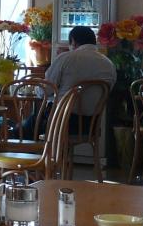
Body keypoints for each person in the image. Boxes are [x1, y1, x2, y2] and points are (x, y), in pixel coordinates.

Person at [42, 25, 116, 163]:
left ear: (74, 42)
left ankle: (35, 166)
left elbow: (45, 90)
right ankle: (60, 165)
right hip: (91, 125)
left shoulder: (66, 58)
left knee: (31, 126)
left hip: (62, 122)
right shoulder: (109, 64)